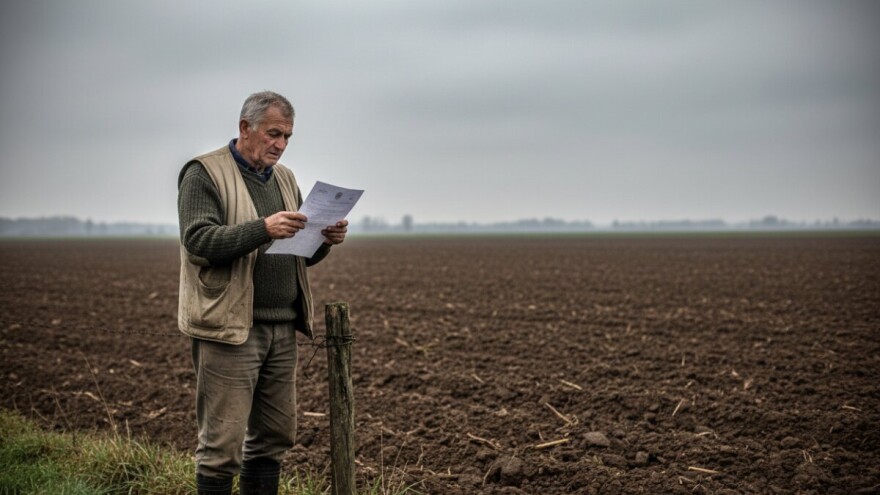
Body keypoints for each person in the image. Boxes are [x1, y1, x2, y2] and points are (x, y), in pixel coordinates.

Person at [177, 91, 348, 495]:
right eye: (274, 134)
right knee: (222, 445)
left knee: (273, 438)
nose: (281, 144)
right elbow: (198, 241)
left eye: (287, 136)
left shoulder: (285, 178)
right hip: (230, 329)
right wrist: (262, 228)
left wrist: (324, 239)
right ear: (245, 128)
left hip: (281, 327)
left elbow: (297, 256)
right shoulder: (204, 173)